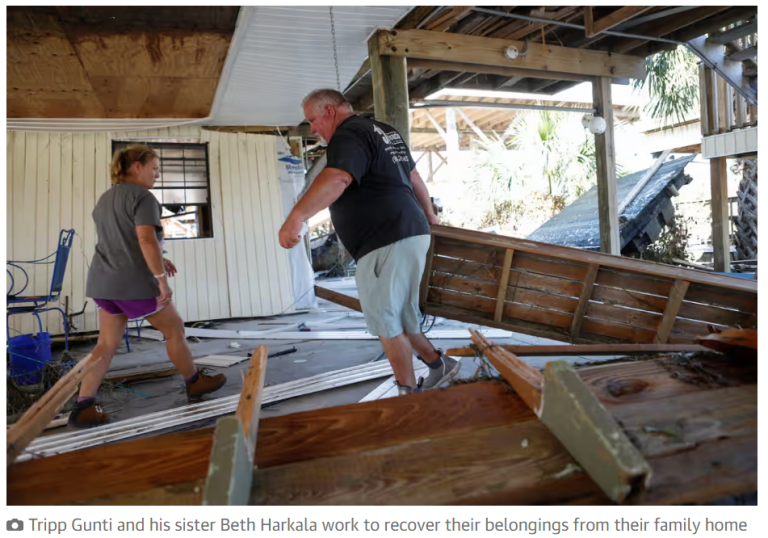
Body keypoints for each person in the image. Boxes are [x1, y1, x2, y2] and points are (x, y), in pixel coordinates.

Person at [278, 89, 460, 395]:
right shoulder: (383, 131)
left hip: (385, 238)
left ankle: (406, 393)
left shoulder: (348, 134)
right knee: (402, 313)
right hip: (409, 231)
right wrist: (429, 215)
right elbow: (413, 176)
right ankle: (438, 364)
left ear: (329, 112)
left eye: (312, 120)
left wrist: (296, 217)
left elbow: (337, 178)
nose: (312, 129)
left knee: (386, 321)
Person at [68, 144, 226, 429]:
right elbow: (144, 240)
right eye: (154, 167)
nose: (157, 173)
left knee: (105, 344)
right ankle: (195, 382)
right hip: (133, 283)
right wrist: (161, 280)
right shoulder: (143, 197)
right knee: (174, 329)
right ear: (137, 167)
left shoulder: (105, 198)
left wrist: (159, 260)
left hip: (103, 283)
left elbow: (121, 241)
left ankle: (84, 406)